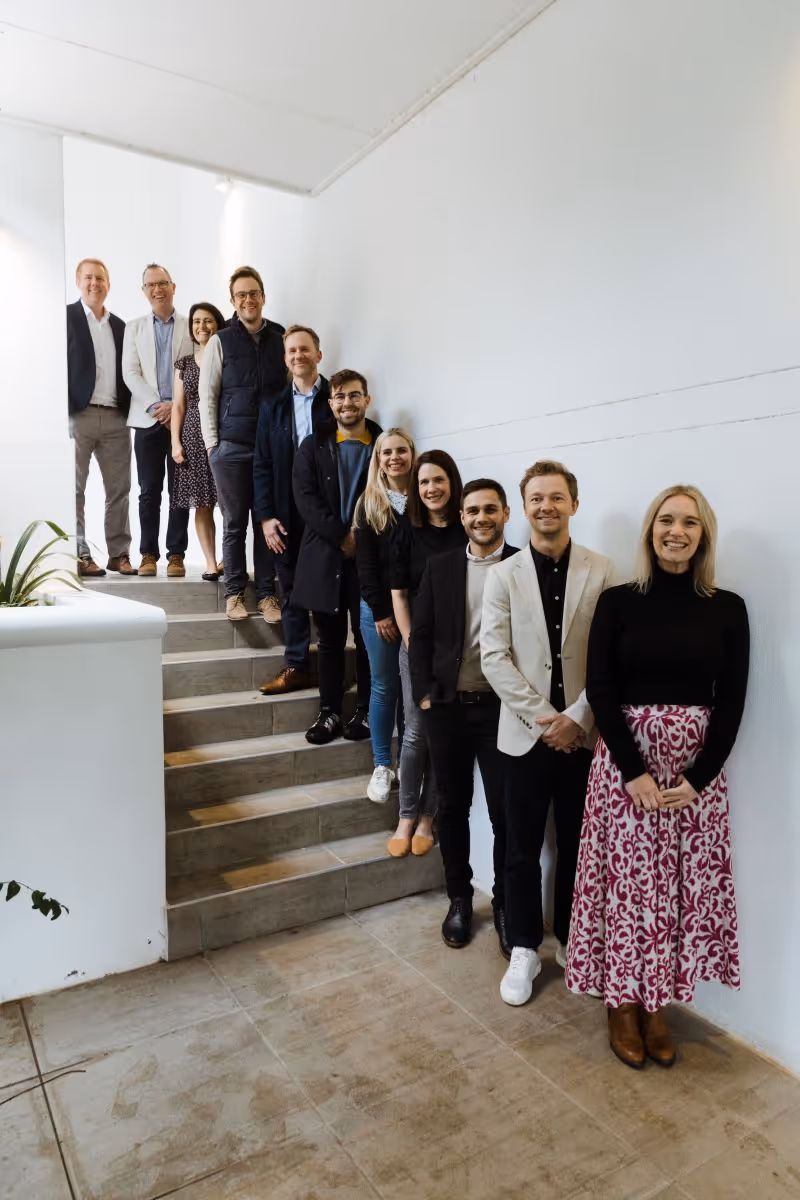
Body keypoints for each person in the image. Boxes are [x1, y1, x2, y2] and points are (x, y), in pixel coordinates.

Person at [566, 486, 749, 1070]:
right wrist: (633, 772)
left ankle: (657, 1004)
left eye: (690, 523)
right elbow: (602, 688)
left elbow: (734, 701)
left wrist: (700, 777)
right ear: (650, 530)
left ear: (704, 534)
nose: (678, 531)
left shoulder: (729, 607)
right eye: (667, 520)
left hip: (693, 778)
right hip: (626, 772)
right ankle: (621, 1003)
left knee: (674, 892)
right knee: (628, 890)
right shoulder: (620, 602)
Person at [481, 460, 613, 1007]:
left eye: (556, 498)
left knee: (581, 846)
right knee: (520, 846)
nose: (546, 507)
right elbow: (494, 657)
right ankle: (525, 947)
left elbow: (610, 657)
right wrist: (547, 720)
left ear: (574, 504)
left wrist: (577, 718)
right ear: (524, 506)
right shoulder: (503, 575)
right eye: (536, 498)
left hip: (585, 737)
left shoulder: (604, 571)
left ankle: (574, 940)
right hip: (524, 736)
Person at [410, 479, 517, 955]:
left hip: (503, 712)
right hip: (448, 710)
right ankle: (458, 898)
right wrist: (426, 698)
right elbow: (422, 636)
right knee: (452, 808)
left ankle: (504, 903)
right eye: (472, 510)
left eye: (490, 509)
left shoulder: (524, 565)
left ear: (505, 513)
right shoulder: (441, 566)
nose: (480, 518)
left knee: (504, 813)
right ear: (462, 517)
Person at [291, 370, 381, 744]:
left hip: (368, 558)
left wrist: (360, 537)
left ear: (366, 400)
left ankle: (364, 709)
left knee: (365, 638)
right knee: (328, 641)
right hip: (324, 555)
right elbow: (305, 499)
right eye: (340, 397)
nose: (347, 403)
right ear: (330, 403)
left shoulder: (382, 443)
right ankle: (328, 712)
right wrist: (340, 536)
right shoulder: (313, 445)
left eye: (354, 396)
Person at [389, 450, 467, 857]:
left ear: (451, 483)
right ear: (416, 490)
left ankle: (427, 817)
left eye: (438, 480)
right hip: (416, 646)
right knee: (417, 731)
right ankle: (405, 815)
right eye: (424, 482)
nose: (431, 488)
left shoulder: (467, 528)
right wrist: (410, 642)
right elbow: (398, 593)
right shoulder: (408, 528)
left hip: (457, 651)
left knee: (445, 734)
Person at [198, 266, 285, 621]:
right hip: (230, 448)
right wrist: (212, 445)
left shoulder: (280, 337)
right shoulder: (221, 340)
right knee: (234, 523)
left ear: (262, 296)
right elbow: (208, 395)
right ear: (233, 301)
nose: (248, 300)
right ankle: (234, 594)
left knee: (267, 520)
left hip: (271, 449)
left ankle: (267, 595)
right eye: (241, 295)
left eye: (253, 293)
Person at [254, 325, 332, 692]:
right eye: (291, 351)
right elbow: (263, 464)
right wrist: (266, 516)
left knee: (327, 589)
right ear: (286, 359)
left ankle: (332, 669)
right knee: (291, 590)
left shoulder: (335, 397)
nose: (298, 356)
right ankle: (297, 665)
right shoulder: (273, 404)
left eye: (305, 349)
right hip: (284, 513)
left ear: (318, 354)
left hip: (326, 514)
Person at [355, 428, 416, 803]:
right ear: (378, 459)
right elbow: (365, 567)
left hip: (415, 610)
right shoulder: (369, 503)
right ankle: (382, 765)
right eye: (386, 452)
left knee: (411, 690)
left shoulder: (423, 500)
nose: (394, 458)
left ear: (412, 454)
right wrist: (381, 612)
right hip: (377, 610)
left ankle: (410, 763)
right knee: (384, 686)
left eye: (401, 451)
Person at [123, 264, 194, 577]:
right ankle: (148, 554)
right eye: (151, 285)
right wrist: (157, 406)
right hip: (148, 420)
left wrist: (175, 407)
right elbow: (131, 373)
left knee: (180, 489)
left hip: (182, 417)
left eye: (163, 283)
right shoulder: (134, 328)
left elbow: (196, 370)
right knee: (148, 490)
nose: (157, 289)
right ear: (144, 291)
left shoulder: (190, 325)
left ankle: (176, 554)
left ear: (173, 286)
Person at [66, 258, 134, 578]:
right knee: (74, 489)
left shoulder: (121, 326)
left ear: (109, 285)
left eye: (101, 278)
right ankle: (80, 554)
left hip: (116, 417)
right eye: (89, 278)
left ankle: (119, 554)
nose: (95, 283)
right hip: (78, 415)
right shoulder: (65, 317)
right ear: (78, 281)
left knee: (119, 489)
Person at [170, 302, 226, 580]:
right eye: (196, 322)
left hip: (223, 434)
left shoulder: (227, 357)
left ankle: (232, 557)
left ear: (218, 323)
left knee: (230, 502)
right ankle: (210, 563)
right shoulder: (184, 364)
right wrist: (175, 443)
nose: (202, 326)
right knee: (203, 504)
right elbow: (178, 406)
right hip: (192, 436)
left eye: (208, 320)